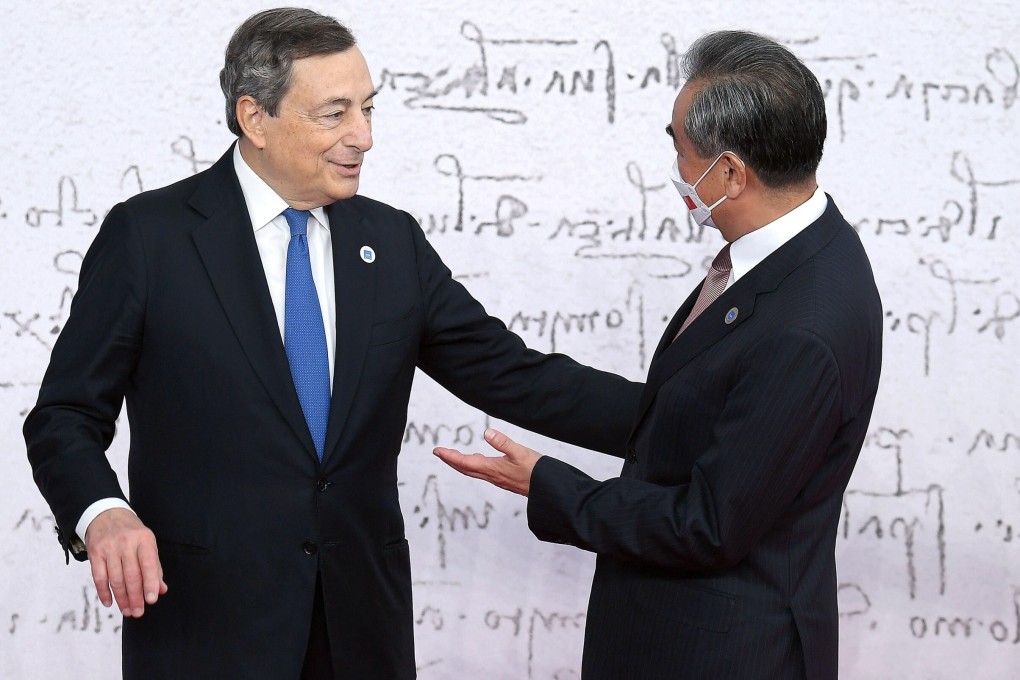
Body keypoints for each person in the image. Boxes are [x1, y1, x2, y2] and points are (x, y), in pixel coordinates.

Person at [23, 8, 641, 680]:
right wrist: (101, 512)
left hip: (360, 631)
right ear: (255, 118)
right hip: (205, 629)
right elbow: (63, 417)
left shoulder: (392, 242)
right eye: (336, 113)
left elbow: (519, 377)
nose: (364, 137)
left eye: (369, 109)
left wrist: (701, 420)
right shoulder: (150, 238)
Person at [435, 30, 883, 680]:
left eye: (679, 144)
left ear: (730, 173)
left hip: (724, 652)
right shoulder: (787, 253)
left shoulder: (803, 325)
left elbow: (708, 525)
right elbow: (692, 409)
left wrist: (549, 486)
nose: (675, 162)